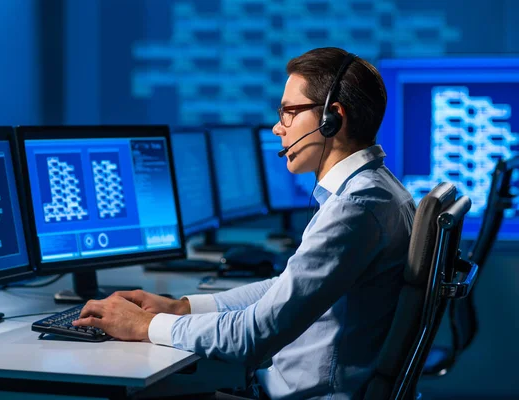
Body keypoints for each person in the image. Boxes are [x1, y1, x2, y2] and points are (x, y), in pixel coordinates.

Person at [73, 47, 416, 399]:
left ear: (333, 118)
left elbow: (254, 335)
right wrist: (183, 308)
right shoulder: (378, 190)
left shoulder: (354, 208)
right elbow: (284, 288)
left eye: (288, 113)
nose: (277, 128)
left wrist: (145, 326)